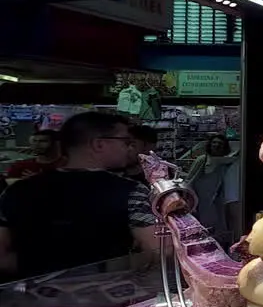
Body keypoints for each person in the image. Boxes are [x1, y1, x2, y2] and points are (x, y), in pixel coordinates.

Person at [0, 112, 161, 281]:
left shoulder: (16, 191)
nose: (128, 149)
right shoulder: (132, 192)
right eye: (125, 142)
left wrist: (41, 269)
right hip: (107, 300)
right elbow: (157, 250)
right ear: (99, 144)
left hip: (30, 300)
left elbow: (2, 258)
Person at [186, 134, 240, 245]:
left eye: (220, 144)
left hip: (217, 201)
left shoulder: (227, 162)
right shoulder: (202, 160)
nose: (216, 146)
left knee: (219, 228)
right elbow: (190, 180)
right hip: (201, 200)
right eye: (214, 143)